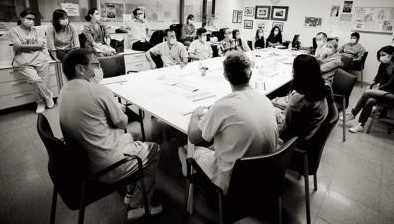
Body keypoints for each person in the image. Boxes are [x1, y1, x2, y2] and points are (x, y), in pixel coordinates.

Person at [59, 49, 163, 220]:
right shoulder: (97, 91)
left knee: (136, 137)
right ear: (81, 69)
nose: (98, 68)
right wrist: (117, 108)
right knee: (155, 149)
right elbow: (122, 122)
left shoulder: (64, 91)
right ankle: (140, 204)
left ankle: (130, 192)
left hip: (85, 157)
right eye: (95, 64)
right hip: (106, 165)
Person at [179, 51, 278, 194]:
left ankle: (190, 171)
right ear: (250, 74)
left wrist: (195, 115)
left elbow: (193, 137)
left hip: (233, 183)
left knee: (184, 150)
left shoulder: (222, 106)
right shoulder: (265, 100)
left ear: (225, 76)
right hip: (264, 175)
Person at [8, 9, 54, 114]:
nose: (31, 21)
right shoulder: (14, 31)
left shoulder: (38, 30)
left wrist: (23, 46)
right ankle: (46, 97)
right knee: (35, 80)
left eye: (33, 19)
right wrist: (34, 46)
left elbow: (40, 45)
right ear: (21, 18)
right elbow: (16, 47)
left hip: (40, 60)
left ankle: (41, 102)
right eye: (28, 18)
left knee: (43, 83)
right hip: (23, 61)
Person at [279, 54, 328, 148]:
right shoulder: (321, 88)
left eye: (293, 68)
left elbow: (285, 129)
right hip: (309, 134)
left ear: (299, 73)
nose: (292, 71)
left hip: (295, 142)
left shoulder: (300, 98)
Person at [346, 46, 394, 133]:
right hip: (384, 92)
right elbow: (378, 77)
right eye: (380, 55)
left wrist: (377, 90)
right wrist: (372, 82)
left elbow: (391, 84)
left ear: (391, 54)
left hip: (392, 94)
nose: (381, 57)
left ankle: (353, 114)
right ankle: (361, 125)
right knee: (370, 101)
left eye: (383, 55)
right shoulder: (383, 64)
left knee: (367, 93)